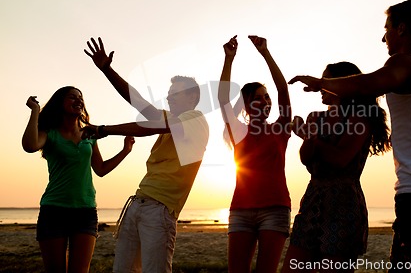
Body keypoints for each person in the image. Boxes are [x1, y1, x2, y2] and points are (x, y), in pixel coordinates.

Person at [289, 0, 411, 271]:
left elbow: (368, 84)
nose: (383, 36)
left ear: (401, 29)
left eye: (386, 28)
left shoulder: (407, 62)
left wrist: (321, 83)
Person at [83, 37, 209, 273]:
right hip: (137, 203)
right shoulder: (168, 119)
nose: (169, 97)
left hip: (160, 210)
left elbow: (147, 126)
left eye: (176, 93)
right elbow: (138, 101)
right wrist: (107, 70)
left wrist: (104, 130)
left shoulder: (195, 119)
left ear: (192, 97)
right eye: (169, 93)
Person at [282, 62, 391, 272]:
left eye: (328, 81)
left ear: (343, 85)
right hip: (313, 197)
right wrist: (308, 136)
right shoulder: (316, 116)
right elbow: (306, 159)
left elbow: (341, 159)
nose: (322, 87)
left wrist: (311, 138)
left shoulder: (360, 119)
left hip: (344, 203)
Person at [22, 86, 135, 273]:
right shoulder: (49, 133)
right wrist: (35, 111)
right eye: (72, 97)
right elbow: (30, 145)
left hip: (85, 211)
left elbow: (100, 169)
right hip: (54, 210)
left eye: (80, 98)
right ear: (60, 103)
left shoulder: (89, 135)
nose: (78, 100)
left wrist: (125, 151)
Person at [218, 35, 292, 273]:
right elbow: (222, 99)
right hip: (240, 210)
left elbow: (282, 89)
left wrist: (265, 53)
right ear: (247, 106)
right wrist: (229, 59)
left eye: (266, 97)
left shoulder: (280, 128)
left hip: (276, 208)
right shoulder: (238, 131)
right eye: (257, 98)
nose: (264, 101)